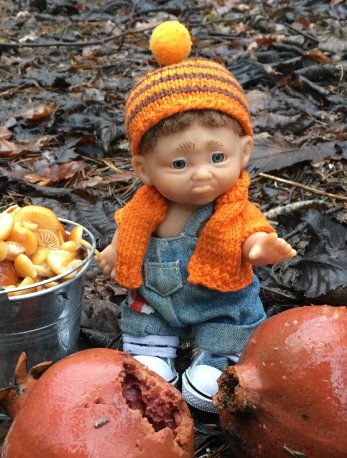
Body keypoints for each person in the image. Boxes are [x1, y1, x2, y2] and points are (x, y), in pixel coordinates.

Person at [98, 21, 296, 412]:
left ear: (244, 151)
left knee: (231, 320)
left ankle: (215, 360)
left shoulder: (233, 209)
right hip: (158, 296)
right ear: (143, 168)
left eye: (217, 157)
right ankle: (154, 353)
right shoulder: (144, 209)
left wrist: (259, 247)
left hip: (217, 301)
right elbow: (128, 234)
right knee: (145, 312)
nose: (202, 173)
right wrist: (113, 252)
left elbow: (250, 232)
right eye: (178, 162)